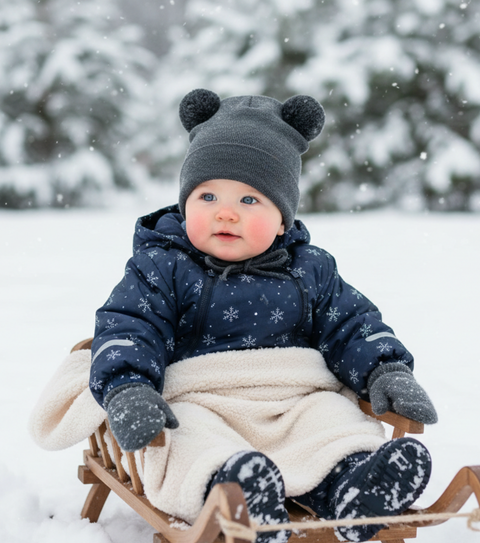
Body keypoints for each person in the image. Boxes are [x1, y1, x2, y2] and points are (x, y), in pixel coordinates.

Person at [89, 89, 438, 542]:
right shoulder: (163, 266)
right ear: (184, 204)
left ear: (282, 220)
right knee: (191, 436)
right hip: (202, 398)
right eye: (207, 196)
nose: (226, 212)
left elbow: (353, 324)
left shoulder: (311, 268)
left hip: (292, 399)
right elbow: (130, 326)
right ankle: (234, 488)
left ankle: (353, 482)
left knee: (331, 420)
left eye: (250, 200)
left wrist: (386, 369)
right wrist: (128, 386)